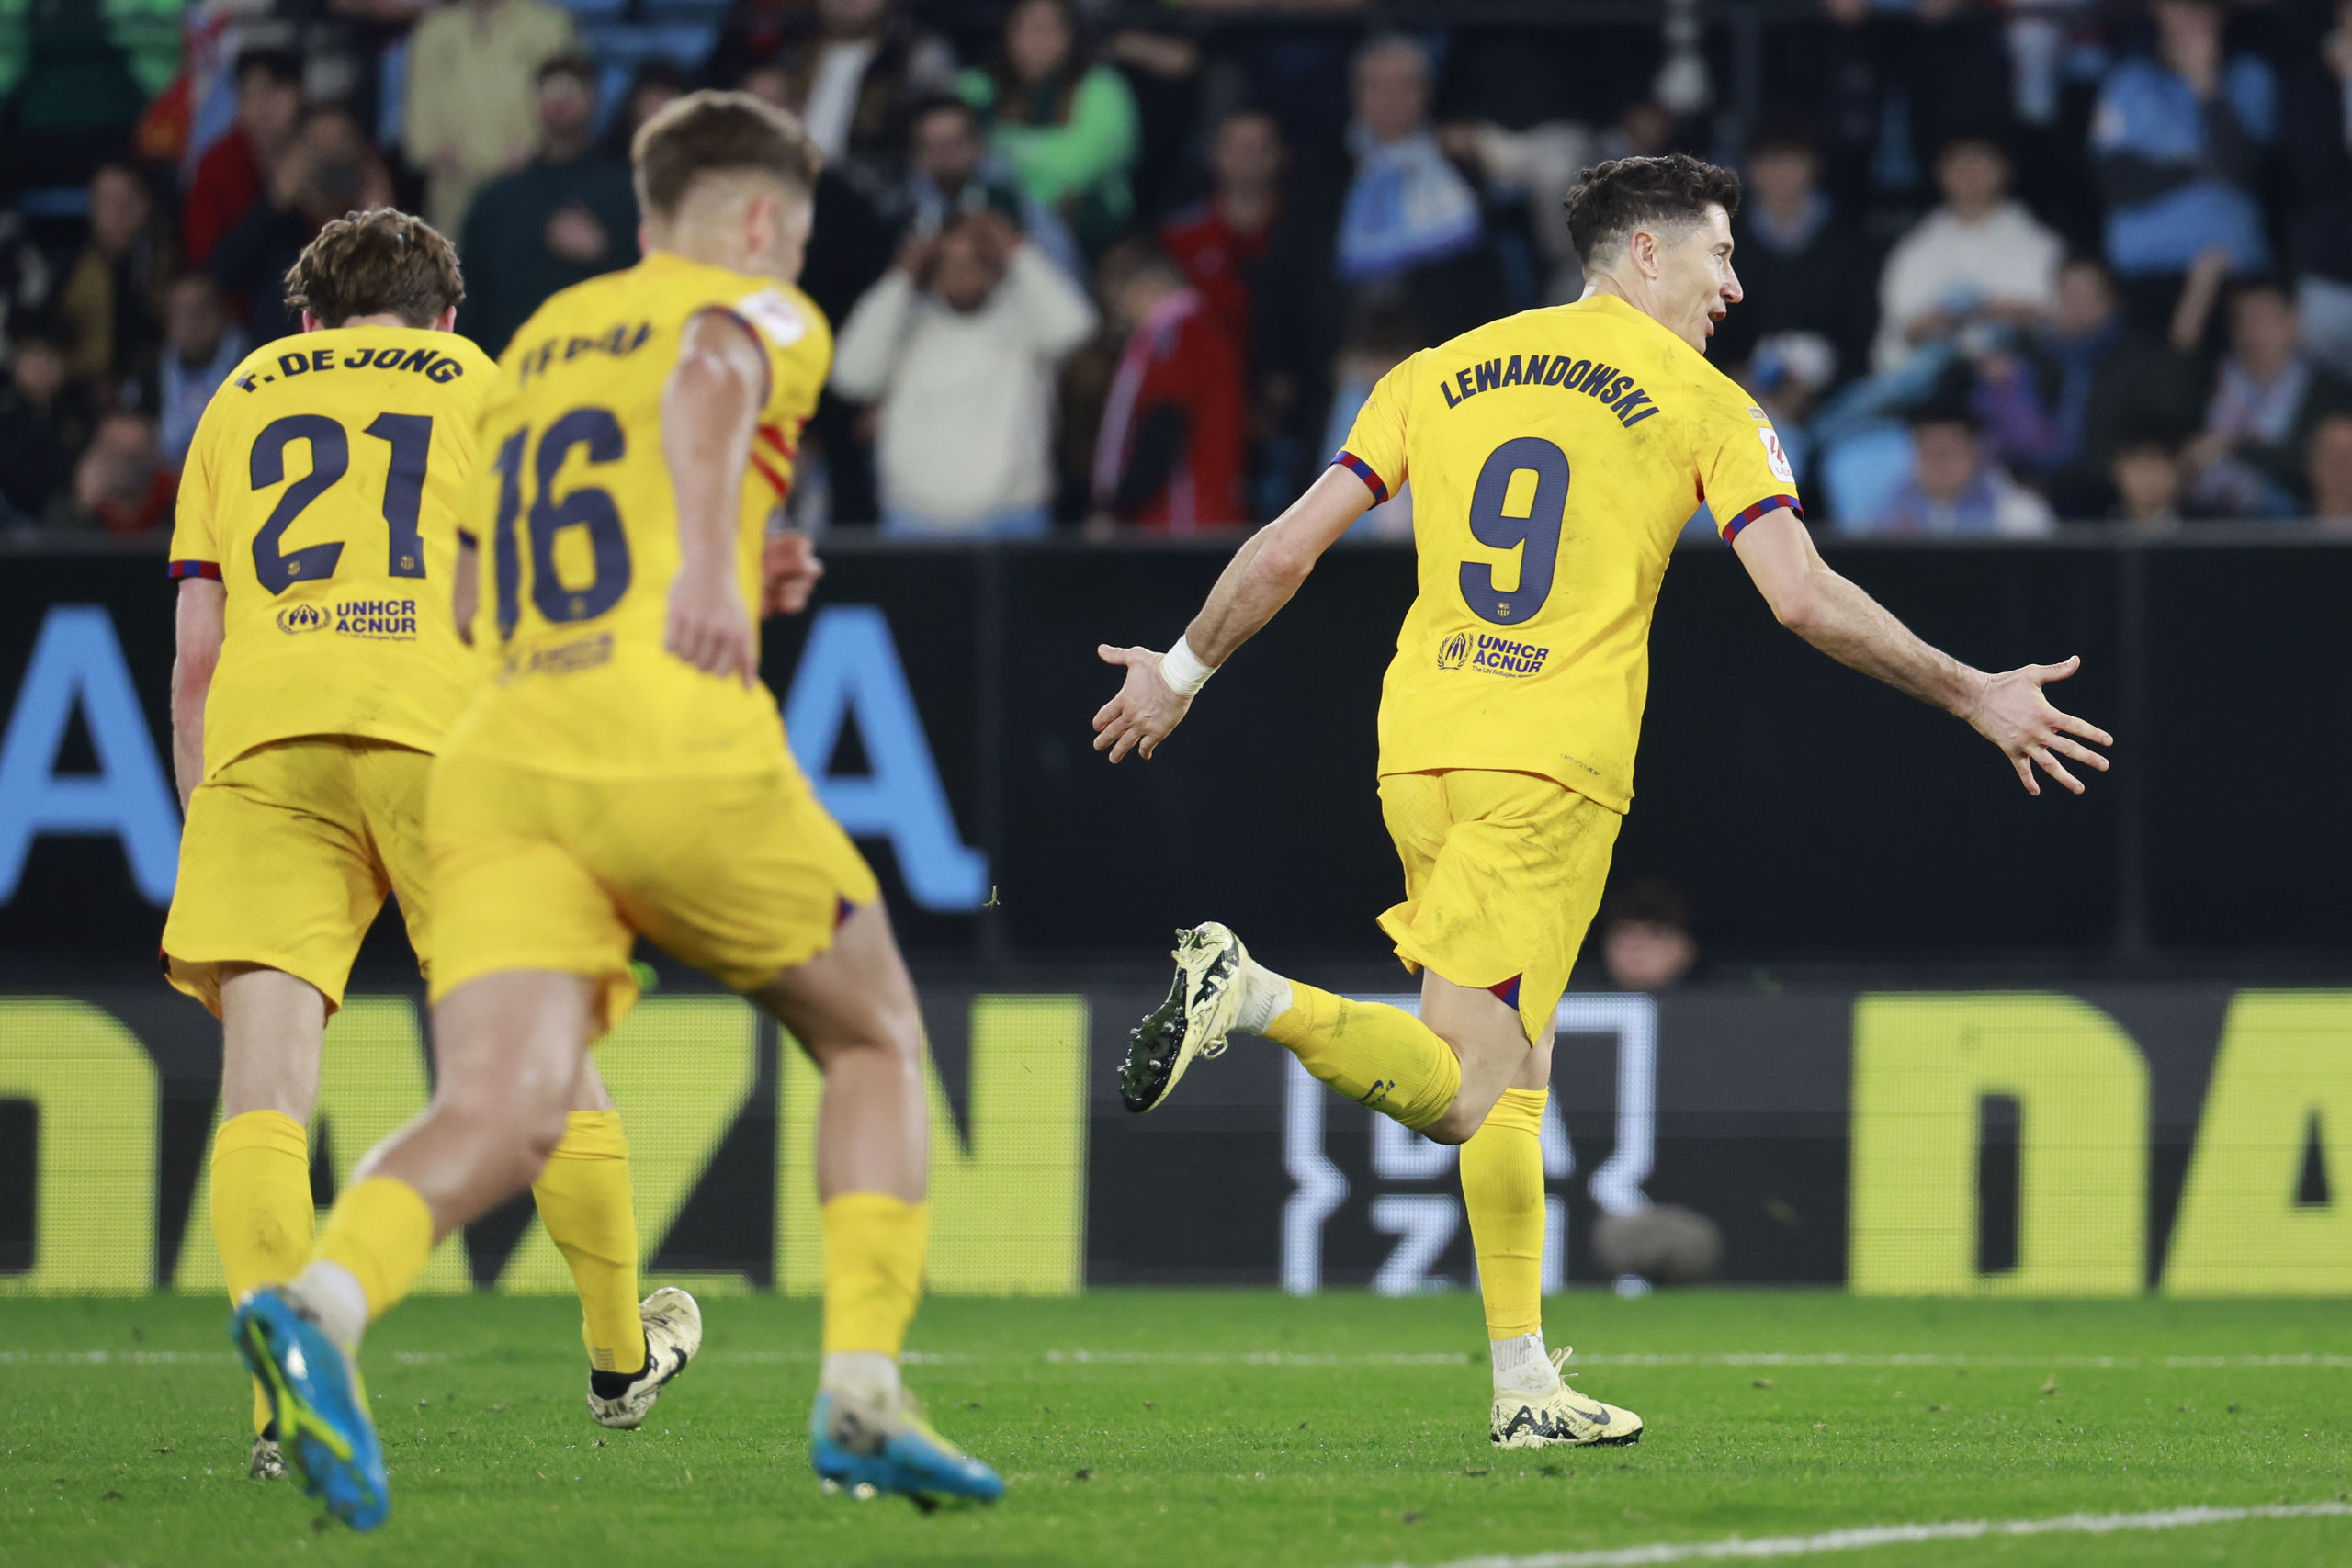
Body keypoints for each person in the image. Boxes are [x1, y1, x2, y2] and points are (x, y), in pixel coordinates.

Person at [1089, 153, 2109, 1451]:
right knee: (1464, 1090)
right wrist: (1972, 693)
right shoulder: (1707, 403)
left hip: (1420, 748)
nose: (1732, 285)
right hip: (1549, 765)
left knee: (1518, 1071)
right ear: (1645, 252)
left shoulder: (1439, 369)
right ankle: (1249, 994)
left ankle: (1524, 1383)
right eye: (1718, 255)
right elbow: (1801, 597)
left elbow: (1286, 546)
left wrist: (1178, 673)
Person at [230, 94, 1002, 1529]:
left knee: (501, 1105)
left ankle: (318, 1306)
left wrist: (721, 559)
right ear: (758, 219)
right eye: (795, 234)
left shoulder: (536, 346)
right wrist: (711, 565)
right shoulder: (756, 306)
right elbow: (711, 372)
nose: (793, 257)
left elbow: (478, 591)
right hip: (666, 733)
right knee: (875, 1035)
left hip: (504, 753)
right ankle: (862, 1389)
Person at [169, 209, 691, 1489]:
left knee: (265, 1089)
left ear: (308, 318)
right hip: (448, 739)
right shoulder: (484, 382)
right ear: (446, 315)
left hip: (266, 740)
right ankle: (620, 1358)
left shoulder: (240, 394)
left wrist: (212, 815)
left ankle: (280, 1411)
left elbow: (196, 653)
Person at [831, 210, 1095, 536]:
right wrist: (901, 278)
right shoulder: (905, 321)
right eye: (950, 263)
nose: (962, 274)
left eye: (976, 261)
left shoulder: (1025, 319)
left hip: (1013, 517)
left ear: (996, 267)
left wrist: (1017, 250)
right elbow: (850, 376)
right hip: (915, 518)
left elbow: (1077, 329)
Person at [2091, 0, 2276, 328]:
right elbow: (2119, 183)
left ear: (2219, 17)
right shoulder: (2130, 82)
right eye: (2178, 8)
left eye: (2200, 10)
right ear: (2158, 11)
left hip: (2233, 264)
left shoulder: (2250, 77)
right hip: (2144, 266)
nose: (2188, 20)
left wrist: (2208, 87)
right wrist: (2201, 168)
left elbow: (2241, 169)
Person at [459, 54, 641, 357]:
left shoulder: (626, 189)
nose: (560, 103)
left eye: (571, 91)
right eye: (549, 92)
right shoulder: (499, 197)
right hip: (509, 359)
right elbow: (472, 292)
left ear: (594, 100)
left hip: (597, 359)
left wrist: (605, 252)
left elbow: (656, 279)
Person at [958, 0, 1140, 255]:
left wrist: (999, 145)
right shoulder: (978, 88)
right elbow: (948, 151)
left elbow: (1076, 166)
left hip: (1093, 243)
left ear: (1071, 34)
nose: (1037, 40)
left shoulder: (1102, 87)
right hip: (994, 239)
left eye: (1048, 28)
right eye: (1025, 28)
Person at [1090, 243, 1247, 531]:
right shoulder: (1202, 326)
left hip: (1179, 516)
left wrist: (1120, 507)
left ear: (1144, 288)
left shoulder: (1177, 332)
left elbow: (1164, 422)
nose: (1121, 316)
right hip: (1198, 512)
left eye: (1119, 303)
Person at [1871, 138, 2062, 374]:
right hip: (1934, 379)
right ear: (1940, 174)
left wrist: (1994, 309)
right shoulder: (1913, 249)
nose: (1969, 174)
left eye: (1979, 163)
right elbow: (1897, 330)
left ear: (2005, 170)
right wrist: (1933, 323)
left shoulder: (2041, 245)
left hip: (2020, 374)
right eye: (1959, 165)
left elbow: (2060, 319)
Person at [402, 0, 580, 238]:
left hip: (532, 186)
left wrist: (537, 148)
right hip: (453, 190)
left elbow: (570, 101)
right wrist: (430, 149)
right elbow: (419, 115)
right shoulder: (433, 30)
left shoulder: (551, 27)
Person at [2182, 279, 2352, 517]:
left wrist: (2234, 448)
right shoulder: (2207, 379)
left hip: (2294, 520)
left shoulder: (2331, 392)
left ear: (2294, 321)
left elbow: (2316, 465)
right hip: (2203, 518)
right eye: (2242, 320)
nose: (2252, 332)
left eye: (2264, 319)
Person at [59, 160, 175, 397]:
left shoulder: (173, 264)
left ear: (146, 203)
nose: (118, 213)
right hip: (82, 394)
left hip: (160, 390)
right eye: (107, 201)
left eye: (128, 201)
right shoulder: (69, 268)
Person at [183, 48, 305, 269]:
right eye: (249, 95)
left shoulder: (324, 142)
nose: (262, 108)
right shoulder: (218, 164)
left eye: (273, 91)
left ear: (300, 94)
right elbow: (205, 265)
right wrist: (273, 203)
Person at [1855, 409, 2056, 537]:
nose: (1939, 463)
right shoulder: (1883, 512)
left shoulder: (2018, 514)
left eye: (1948, 452)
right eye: (1929, 453)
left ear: (1975, 455)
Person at [157, 274, 247, 468]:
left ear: (224, 313)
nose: (193, 322)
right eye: (183, 313)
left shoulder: (252, 364)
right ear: (167, 323)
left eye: (202, 310)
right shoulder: (153, 371)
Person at [71, 407, 173, 533]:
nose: (125, 469)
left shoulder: (177, 510)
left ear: (155, 456)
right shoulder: (65, 516)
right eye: (115, 455)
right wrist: (82, 510)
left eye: (135, 456)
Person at [2305, 411, 2352, 527]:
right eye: (2332, 455)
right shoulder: (2279, 526)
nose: (2340, 467)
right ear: (2312, 463)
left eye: (2349, 457)